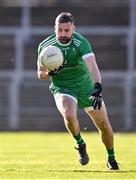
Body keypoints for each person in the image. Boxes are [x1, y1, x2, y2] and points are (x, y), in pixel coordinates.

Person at [37, 12, 119, 170]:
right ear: (55, 28)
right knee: (68, 114)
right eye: (60, 30)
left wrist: (97, 86)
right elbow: (40, 74)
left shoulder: (81, 42)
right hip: (62, 87)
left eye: (66, 30)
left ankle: (111, 157)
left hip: (85, 87)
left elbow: (92, 65)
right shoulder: (45, 47)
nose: (63, 34)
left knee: (104, 124)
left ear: (73, 28)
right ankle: (80, 144)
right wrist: (50, 73)